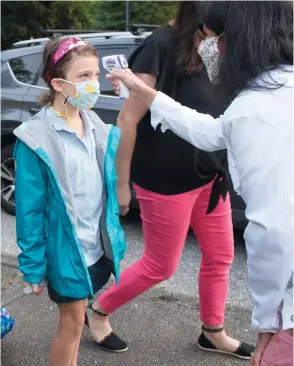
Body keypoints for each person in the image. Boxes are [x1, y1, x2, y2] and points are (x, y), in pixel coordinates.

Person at [105, 1, 294, 366]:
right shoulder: (272, 90)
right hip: (170, 182)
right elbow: (212, 131)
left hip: (211, 186)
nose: (209, 45)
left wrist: (268, 324)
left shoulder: (256, 108)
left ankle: (213, 331)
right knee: (162, 263)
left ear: (239, 39)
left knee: (218, 257)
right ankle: (99, 310)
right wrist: (143, 91)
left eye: (214, 36)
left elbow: (273, 230)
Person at [13, 37, 128, 366]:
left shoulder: (94, 126)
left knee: (77, 321)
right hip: (65, 254)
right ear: (58, 83)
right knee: (74, 324)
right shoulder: (35, 139)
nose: (94, 84)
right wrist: (33, 266)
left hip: (94, 251)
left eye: (95, 75)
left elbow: (101, 193)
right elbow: (29, 212)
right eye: (83, 77)